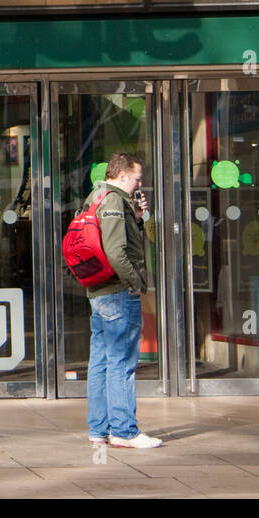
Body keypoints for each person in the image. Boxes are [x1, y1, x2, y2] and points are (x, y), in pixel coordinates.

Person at [86, 152, 163, 449]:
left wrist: (138, 219)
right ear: (121, 176)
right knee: (121, 363)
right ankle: (124, 430)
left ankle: (99, 429)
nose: (138, 183)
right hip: (118, 291)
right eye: (137, 178)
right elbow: (117, 251)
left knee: (100, 361)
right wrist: (136, 283)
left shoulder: (95, 197)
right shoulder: (115, 200)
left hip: (99, 291)